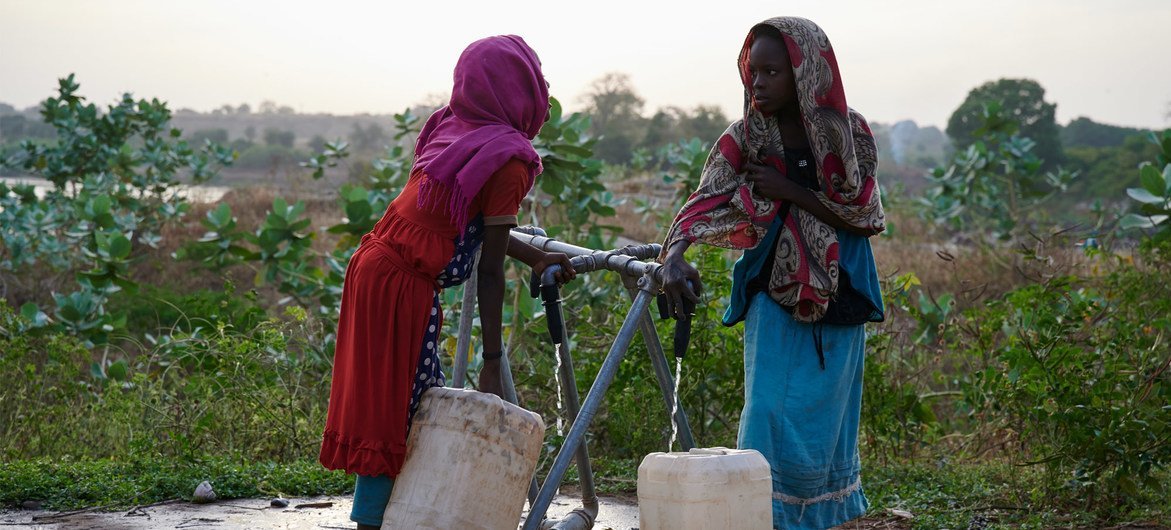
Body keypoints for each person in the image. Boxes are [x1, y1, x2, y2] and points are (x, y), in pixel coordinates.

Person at [318, 35, 576, 530]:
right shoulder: (509, 158)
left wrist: (534, 254)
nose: (542, 89)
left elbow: (464, 224)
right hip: (400, 285)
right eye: (535, 79)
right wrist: (493, 362)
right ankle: (374, 520)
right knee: (398, 409)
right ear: (519, 88)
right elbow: (490, 270)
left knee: (400, 402)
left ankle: (403, 511)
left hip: (375, 267)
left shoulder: (454, 126)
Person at [659, 17, 886, 530]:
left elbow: (866, 215)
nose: (757, 82)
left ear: (806, 72)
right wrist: (674, 255)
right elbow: (705, 200)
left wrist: (791, 192)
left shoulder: (849, 134)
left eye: (771, 71)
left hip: (843, 285)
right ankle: (762, 513)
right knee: (764, 406)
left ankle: (819, 515)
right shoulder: (746, 137)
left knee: (827, 414)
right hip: (772, 284)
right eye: (752, 71)